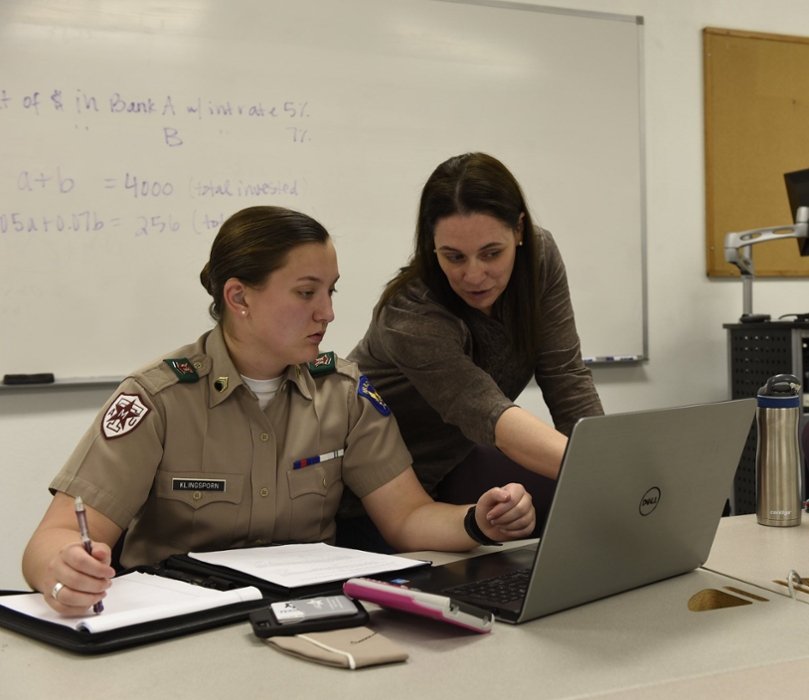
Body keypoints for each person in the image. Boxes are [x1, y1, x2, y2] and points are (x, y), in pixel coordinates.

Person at [22, 205, 535, 615]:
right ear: (239, 297)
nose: (328, 313)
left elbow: (407, 517)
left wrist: (478, 522)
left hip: (304, 621)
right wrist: (64, 570)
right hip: (181, 632)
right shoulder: (158, 399)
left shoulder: (344, 393)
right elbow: (55, 538)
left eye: (330, 292)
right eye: (306, 292)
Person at [341, 153, 603, 547]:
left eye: (492, 253)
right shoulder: (409, 313)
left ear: (518, 230)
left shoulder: (539, 256)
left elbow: (565, 376)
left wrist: (612, 463)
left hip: (456, 460)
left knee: (602, 513)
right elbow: (490, 415)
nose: (474, 274)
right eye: (454, 257)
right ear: (431, 244)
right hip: (375, 496)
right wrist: (613, 471)